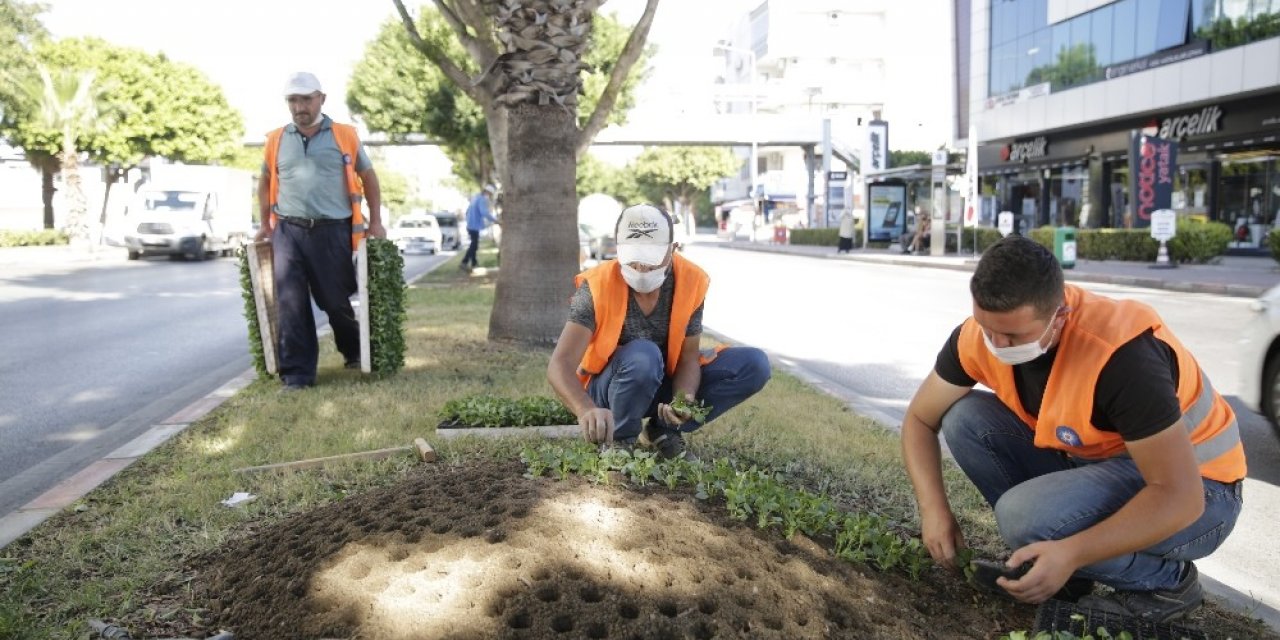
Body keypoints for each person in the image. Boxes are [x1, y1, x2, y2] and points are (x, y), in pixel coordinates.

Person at [900, 235, 1245, 622]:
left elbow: (1181, 498)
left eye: (1014, 336)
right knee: (965, 418)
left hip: (1203, 493)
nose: (997, 344)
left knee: (1024, 518)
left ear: (1059, 316)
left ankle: (1166, 584)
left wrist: (1073, 551)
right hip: (1105, 470)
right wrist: (934, 509)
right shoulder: (977, 337)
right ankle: (1065, 574)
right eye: (986, 327)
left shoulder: (1122, 356)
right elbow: (919, 419)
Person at [547, 204, 772, 459]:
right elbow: (560, 364)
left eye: (651, 258)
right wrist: (585, 409)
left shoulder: (691, 281)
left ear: (672, 249)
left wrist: (684, 399)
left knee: (754, 365)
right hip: (608, 393)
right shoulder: (597, 286)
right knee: (645, 354)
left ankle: (662, 430)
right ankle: (620, 439)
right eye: (633, 258)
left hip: (658, 381)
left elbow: (688, 358)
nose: (642, 267)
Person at [254, 72, 384, 391]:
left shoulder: (344, 135)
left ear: (321, 99)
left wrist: (376, 221)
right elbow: (265, 183)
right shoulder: (276, 139)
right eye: (293, 100)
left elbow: (368, 177)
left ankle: (352, 349)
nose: (300, 107)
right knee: (291, 301)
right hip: (289, 230)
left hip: (332, 231)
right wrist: (265, 225)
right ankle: (298, 375)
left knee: (334, 300)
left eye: (306, 99)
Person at [461, 184, 497, 271]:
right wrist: (495, 220)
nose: (490, 196)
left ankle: (474, 262)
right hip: (474, 225)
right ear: (488, 192)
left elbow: (467, 211)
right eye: (490, 194)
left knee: (474, 244)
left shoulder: (475, 197)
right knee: (474, 245)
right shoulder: (482, 199)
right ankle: (464, 262)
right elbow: (484, 213)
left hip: (471, 224)